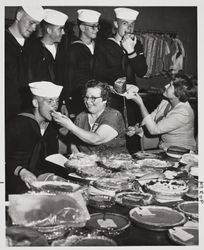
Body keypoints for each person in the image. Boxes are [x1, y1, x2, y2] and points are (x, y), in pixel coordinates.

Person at [93, 7, 148, 153]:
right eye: (125, 23)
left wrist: (131, 51)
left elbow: (142, 71)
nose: (129, 28)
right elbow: (97, 73)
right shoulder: (104, 45)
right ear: (116, 25)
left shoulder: (137, 45)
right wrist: (112, 86)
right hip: (112, 99)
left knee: (132, 138)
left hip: (130, 101)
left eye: (132, 24)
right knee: (112, 138)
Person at [5, 81, 64, 197]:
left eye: (57, 101)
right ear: (36, 103)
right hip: (14, 181)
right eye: (50, 101)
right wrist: (21, 171)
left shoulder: (52, 129)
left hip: (41, 180)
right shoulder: (16, 125)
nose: (55, 106)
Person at [52, 79, 127, 155]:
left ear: (105, 100)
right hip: (88, 164)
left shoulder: (114, 115)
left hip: (115, 163)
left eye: (93, 98)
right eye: (86, 97)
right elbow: (73, 142)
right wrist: (78, 157)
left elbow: (96, 139)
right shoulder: (81, 117)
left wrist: (70, 125)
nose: (88, 101)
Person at [125, 74, 197, 151]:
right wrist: (137, 129)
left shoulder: (183, 113)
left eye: (170, 86)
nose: (165, 86)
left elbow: (154, 130)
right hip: (165, 149)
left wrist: (141, 104)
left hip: (181, 152)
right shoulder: (166, 102)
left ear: (178, 94)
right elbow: (151, 119)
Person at [23, 8, 68, 115]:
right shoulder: (32, 50)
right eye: (60, 29)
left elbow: (64, 78)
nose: (63, 32)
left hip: (57, 104)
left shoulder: (63, 50)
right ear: (49, 30)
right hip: (38, 106)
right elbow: (29, 79)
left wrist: (63, 102)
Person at [5, 4, 45, 121]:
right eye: (31, 23)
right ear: (19, 16)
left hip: (26, 113)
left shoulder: (33, 46)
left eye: (36, 25)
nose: (33, 28)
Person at [63, 9, 101, 117]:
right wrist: (66, 101)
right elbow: (68, 78)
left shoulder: (99, 47)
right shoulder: (74, 49)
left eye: (97, 26)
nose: (96, 30)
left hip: (97, 99)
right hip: (79, 99)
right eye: (93, 26)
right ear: (82, 28)